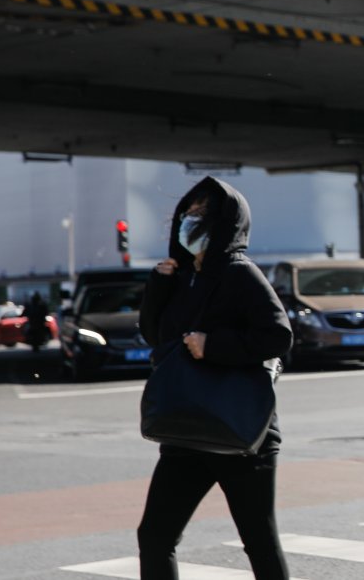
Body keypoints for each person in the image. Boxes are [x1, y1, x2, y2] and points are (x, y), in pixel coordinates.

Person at [137, 177, 293, 579]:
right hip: (186, 428)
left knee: (258, 539)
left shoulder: (241, 272)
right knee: (155, 535)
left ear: (225, 223)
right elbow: (157, 338)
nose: (190, 221)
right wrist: (159, 285)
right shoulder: (182, 276)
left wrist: (214, 345)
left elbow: (278, 335)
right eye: (187, 213)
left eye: (201, 215)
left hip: (242, 436)